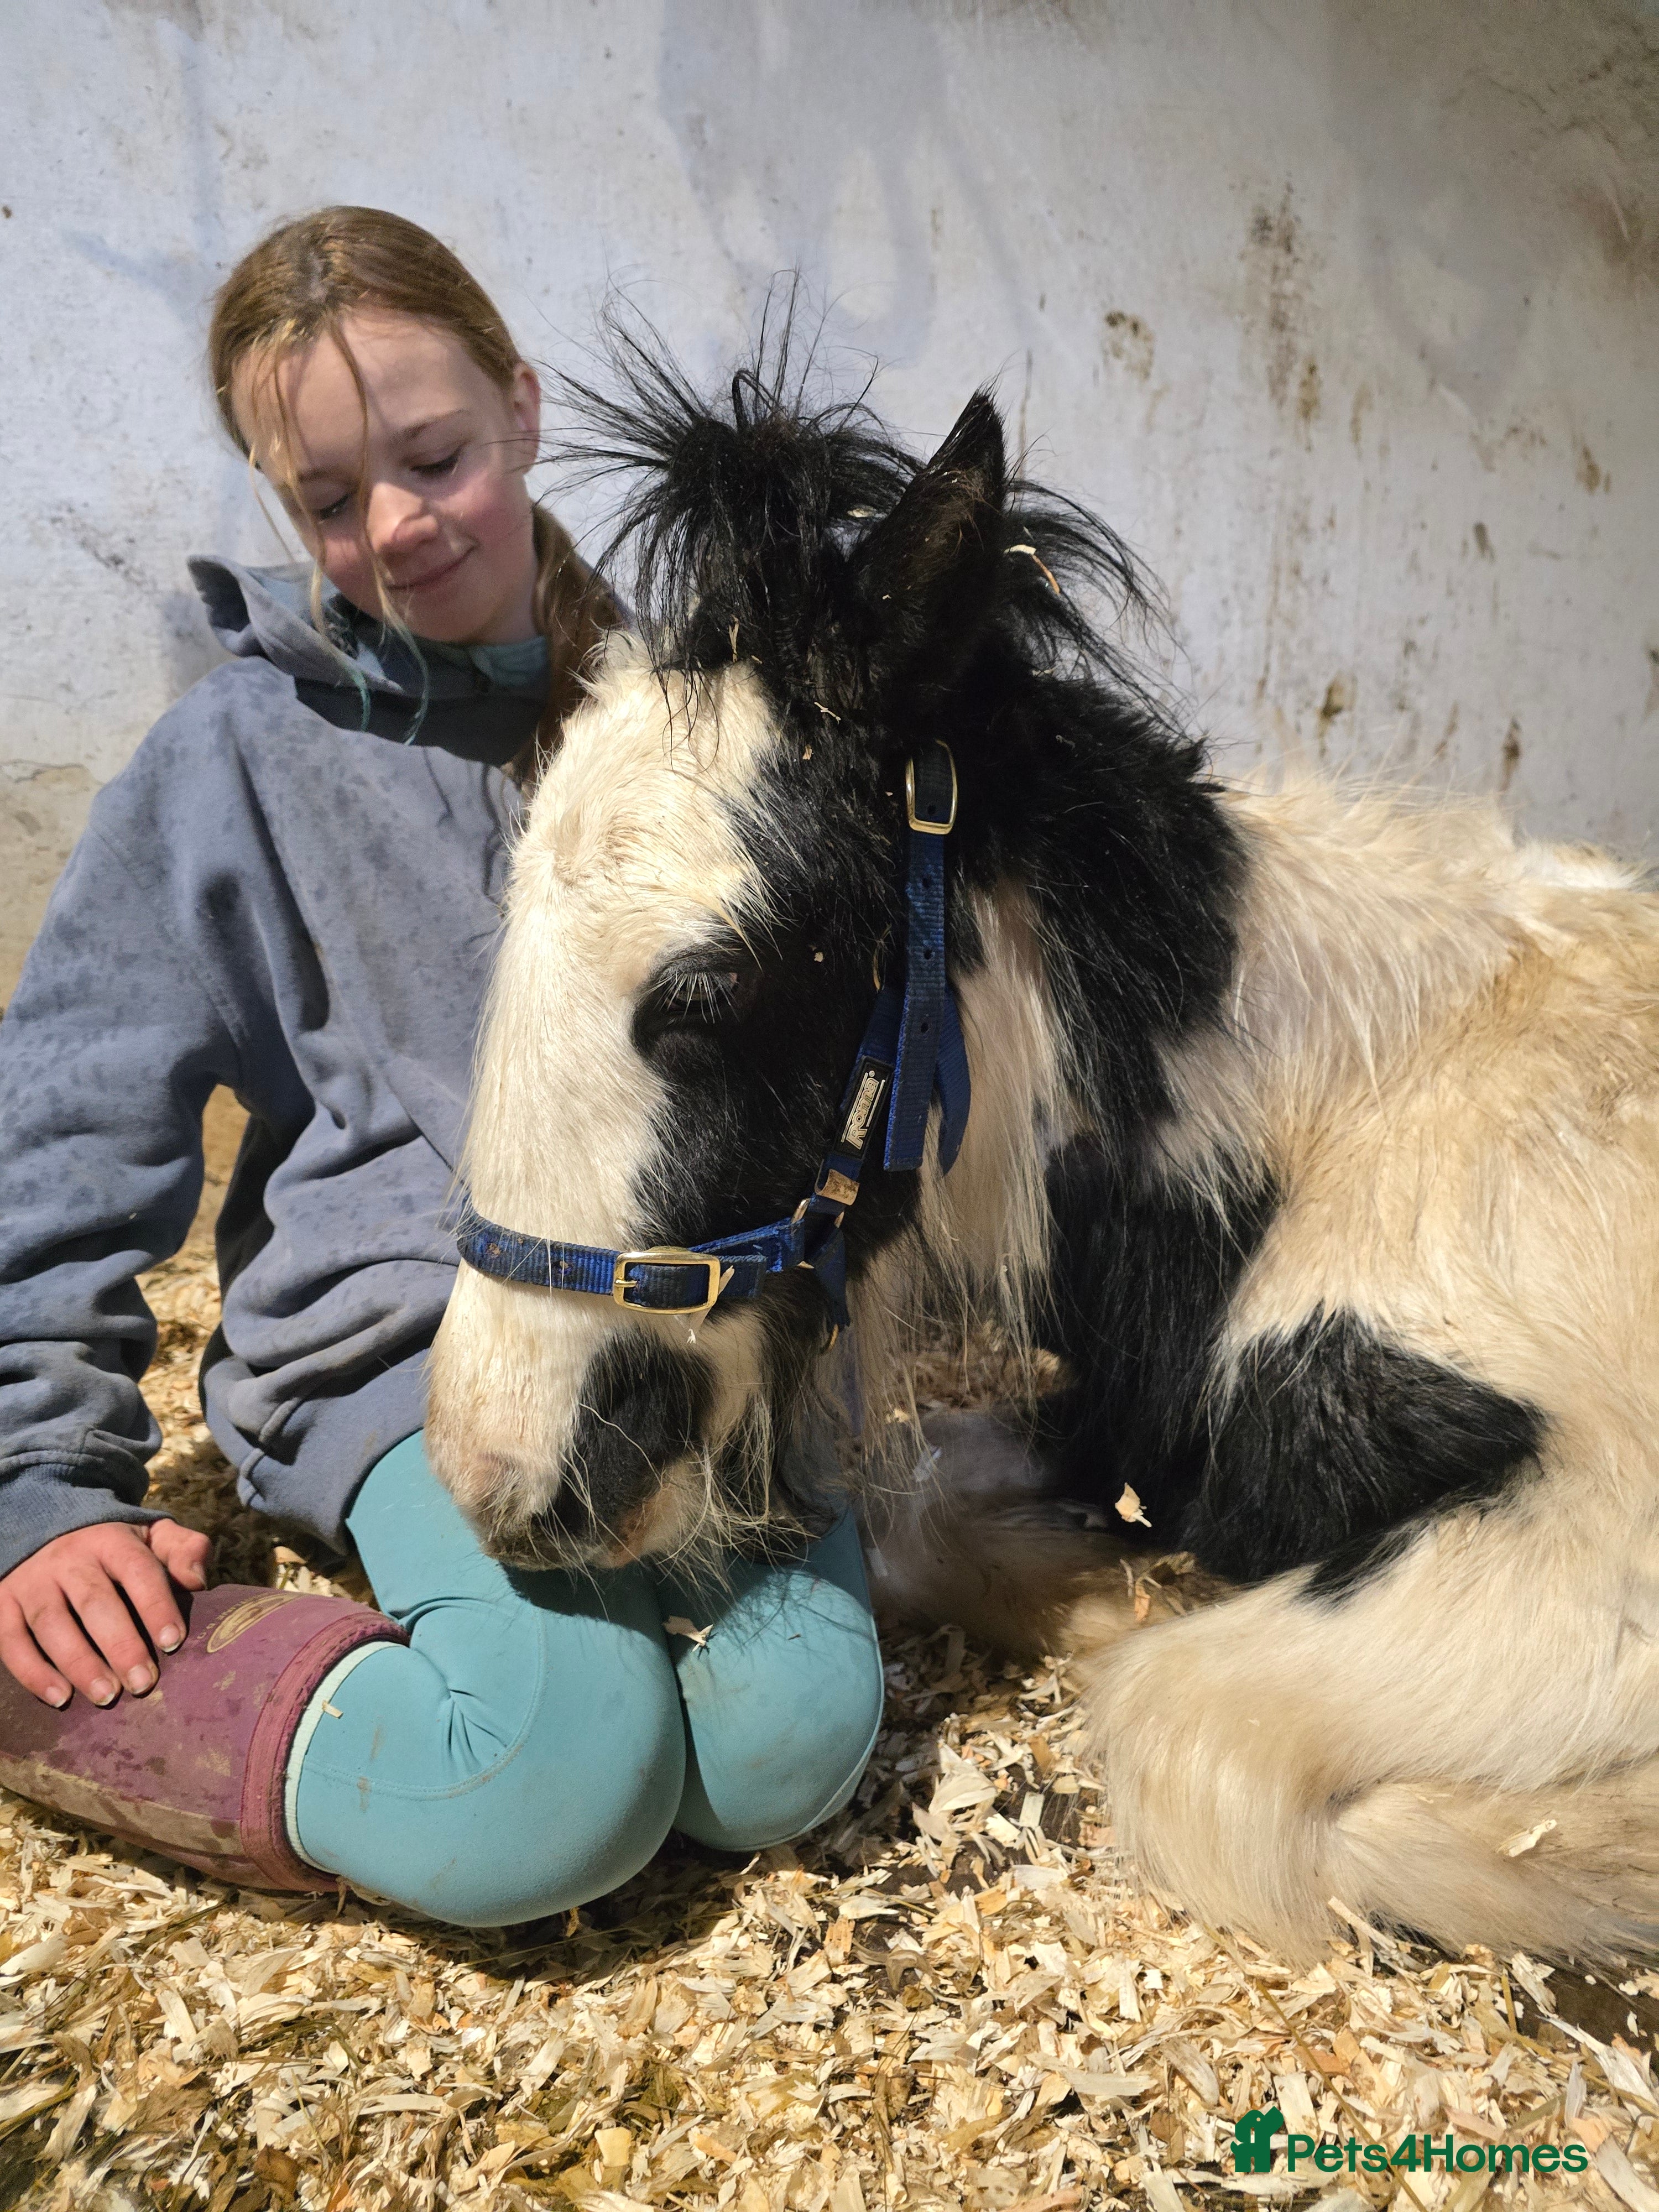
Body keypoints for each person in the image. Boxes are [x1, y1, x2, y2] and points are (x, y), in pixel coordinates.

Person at [0, 208, 883, 1925]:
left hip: (674, 1320)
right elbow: (66, 1114)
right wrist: (34, 1480)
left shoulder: (681, 728)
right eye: (332, 500)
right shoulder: (235, 758)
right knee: (551, 1785)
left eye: (435, 457)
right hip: (412, 1336)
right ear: (284, 507)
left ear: (527, 410)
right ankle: (49, 1705)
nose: (396, 526)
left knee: (787, 1749)